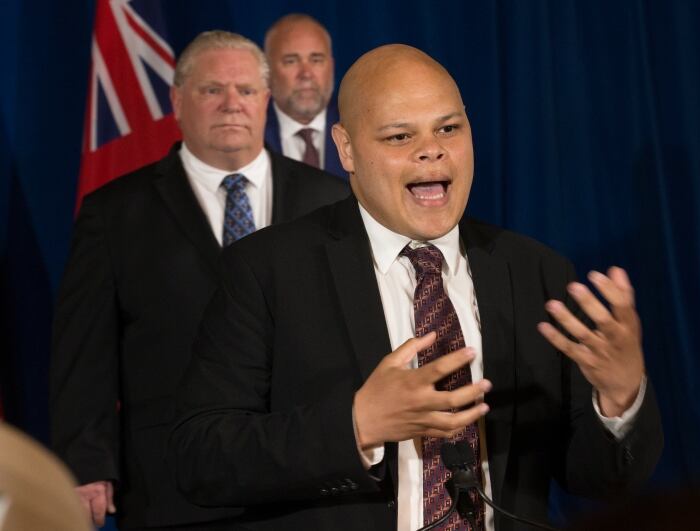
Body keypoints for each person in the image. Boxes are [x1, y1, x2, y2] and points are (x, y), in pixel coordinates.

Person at [170, 44, 663, 530]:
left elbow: (600, 483)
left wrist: (619, 401)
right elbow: (202, 459)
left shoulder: (537, 272)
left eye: (449, 128)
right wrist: (357, 426)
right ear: (347, 148)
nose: (432, 149)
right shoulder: (267, 270)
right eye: (400, 136)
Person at [49, 30, 348, 530]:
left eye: (247, 90)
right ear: (177, 100)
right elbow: (85, 354)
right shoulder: (115, 213)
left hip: (310, 482)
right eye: (213, 90)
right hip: (172, 487)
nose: (232, 104)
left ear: (266, 100)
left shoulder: (330, 202)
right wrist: (86, 464)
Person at [263, 14, 347, 178]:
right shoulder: (250, 131)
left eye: (316, 60)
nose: (306, 74)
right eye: (291, 61)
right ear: (268, 70)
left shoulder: (356, 126)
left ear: (331, 67)